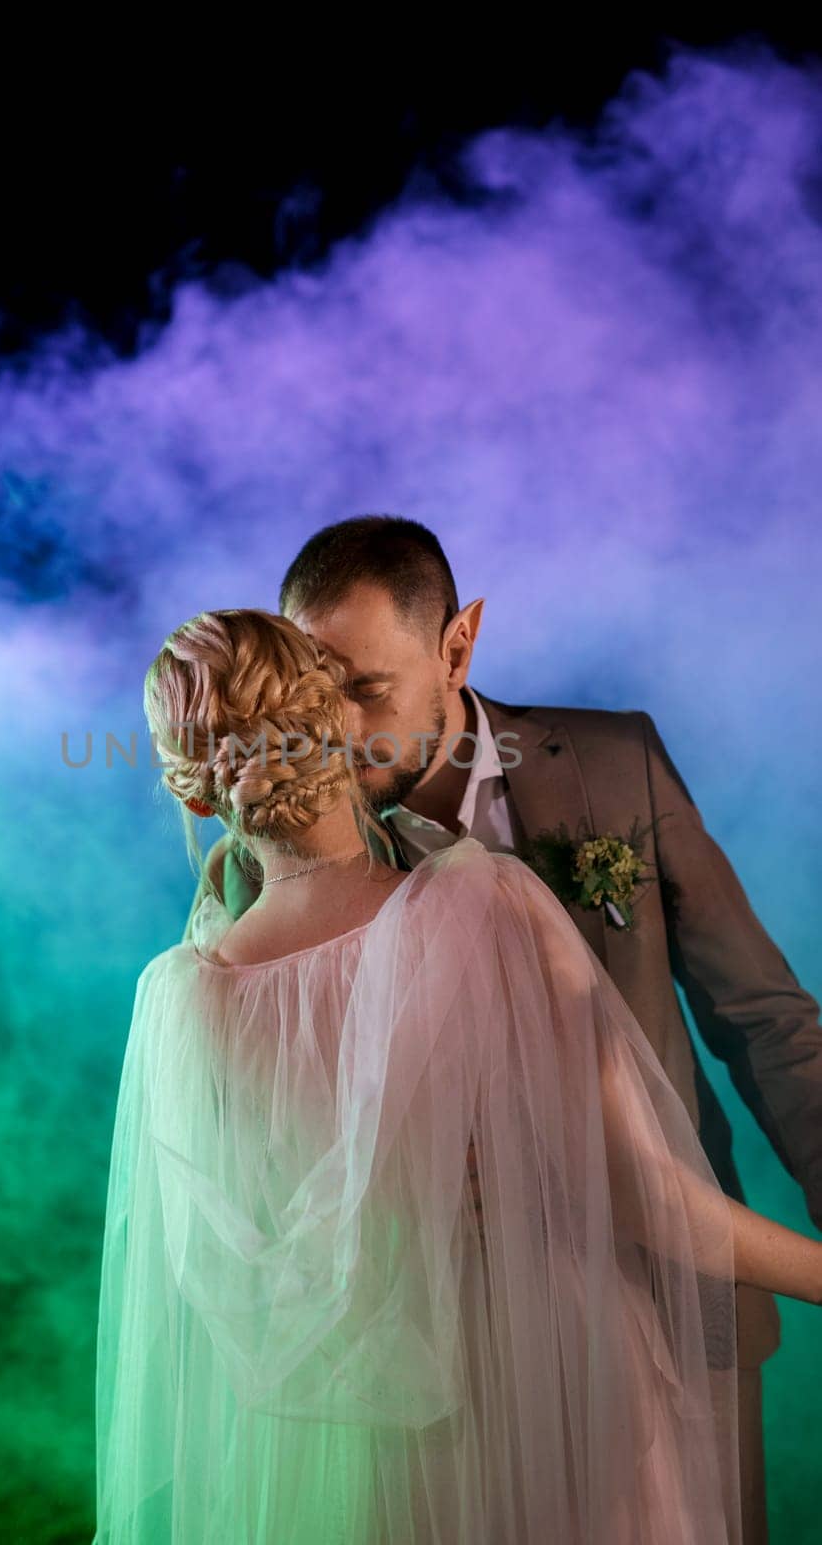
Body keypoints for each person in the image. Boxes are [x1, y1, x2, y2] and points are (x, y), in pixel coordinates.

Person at [92, 606, 822, 1545]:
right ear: (343, 726)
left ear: (195, 794)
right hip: (547, 1382)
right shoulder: (487, 909)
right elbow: (652, 1201)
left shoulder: (186, 1000)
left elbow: (243, 1269)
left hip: (351, 1438)